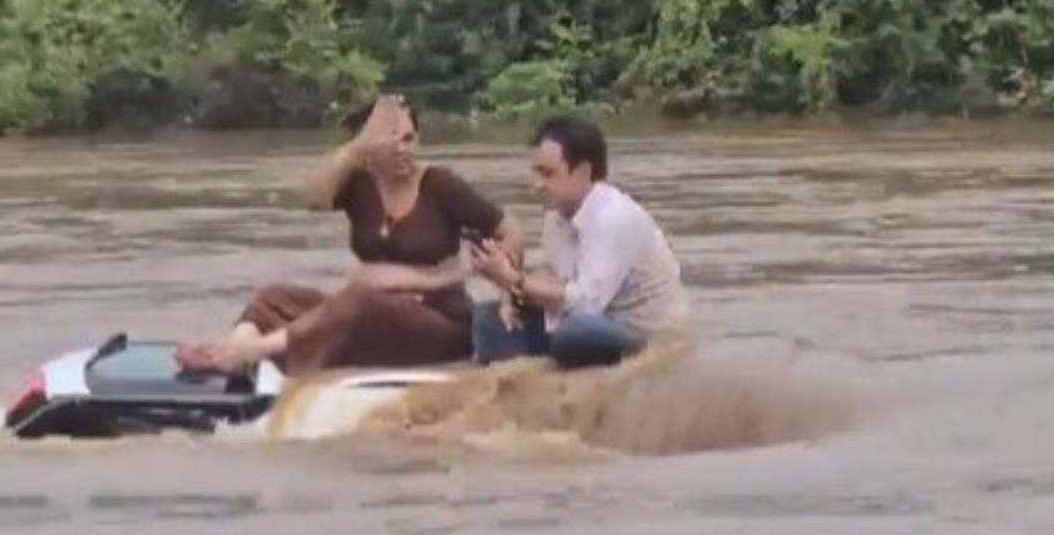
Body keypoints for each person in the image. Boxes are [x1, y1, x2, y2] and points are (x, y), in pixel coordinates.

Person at [175, 94, 521, 375]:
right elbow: (311, 196)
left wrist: (505, 287)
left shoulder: (441, 185)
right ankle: (235, 350)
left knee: (358, 302)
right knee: (273, 297)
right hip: (364, 313)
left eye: (408, 138)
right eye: (389, 140)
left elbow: (511, 231)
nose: (401, 149)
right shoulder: (359, 184)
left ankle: (253, 351)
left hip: (438, 323)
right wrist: (354, 151)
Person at [468, 114, 692, 369]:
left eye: (548, 174)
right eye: (536, 172)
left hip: (642, 335)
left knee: (576, 331)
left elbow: (586, 303)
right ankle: (527, 380)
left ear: (583, 172)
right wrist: (510, 293)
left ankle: (555, 373)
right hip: (588, 326)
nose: (537, 185)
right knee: (488, 319)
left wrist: (513, 280)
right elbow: (554, 281)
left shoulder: (614, 217)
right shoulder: (556, 217)